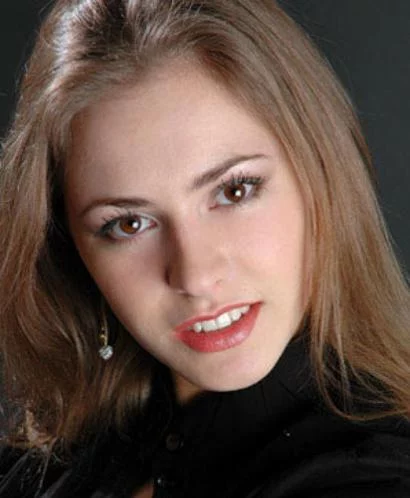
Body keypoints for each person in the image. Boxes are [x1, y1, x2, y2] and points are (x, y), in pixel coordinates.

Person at [0, 0, 409, 496]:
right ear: (69, 248)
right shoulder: (38, 466)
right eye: (129, 224)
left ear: (321, 173)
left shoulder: (377, 477)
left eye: (234, 191)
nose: (194, 276)